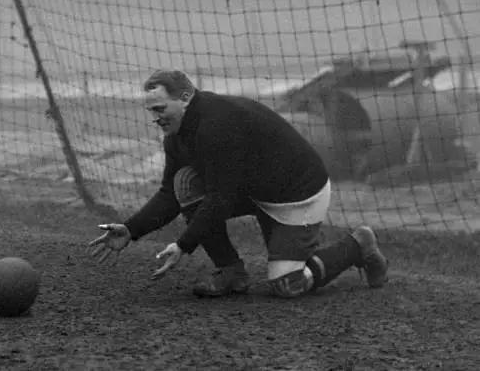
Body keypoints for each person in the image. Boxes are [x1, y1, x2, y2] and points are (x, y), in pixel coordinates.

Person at [89, 69, 388, 298]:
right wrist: (131, 229)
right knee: (185, 183)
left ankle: (358, 245)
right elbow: (170, 194)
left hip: (297, 195)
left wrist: (183, 245)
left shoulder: (217, 125)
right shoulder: (177, 137)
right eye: (151, 111)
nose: (155, 118)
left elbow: (221, 197)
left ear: (184, 99)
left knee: (287, 285)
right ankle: (231, 271)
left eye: (159, 109)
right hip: (255, 190)